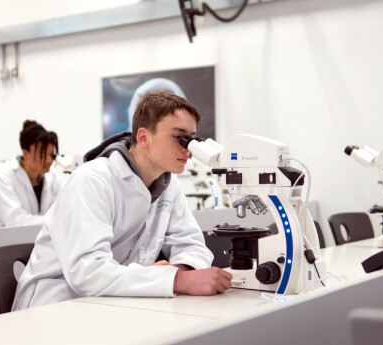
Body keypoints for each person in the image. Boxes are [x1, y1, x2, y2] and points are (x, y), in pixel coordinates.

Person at [12, 92, 232, 310]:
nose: (187, 148)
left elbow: (191, 243)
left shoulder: (168, 185)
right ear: (143, 137)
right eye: (179, 137)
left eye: (192, 139)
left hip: (116, 301)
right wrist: (173, 280)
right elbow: (87, 272)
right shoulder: (92, 180)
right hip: (57, 305)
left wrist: (182, 270)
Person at [0, 120, 65, 228]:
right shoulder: (3, 175)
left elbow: (62, 210)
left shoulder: (53, 176)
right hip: (1, 241)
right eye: (42, 155)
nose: (49, 160)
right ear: (26, 153)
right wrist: (55, 221)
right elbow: (15, 221)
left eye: (51, 155)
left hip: (34, 239)